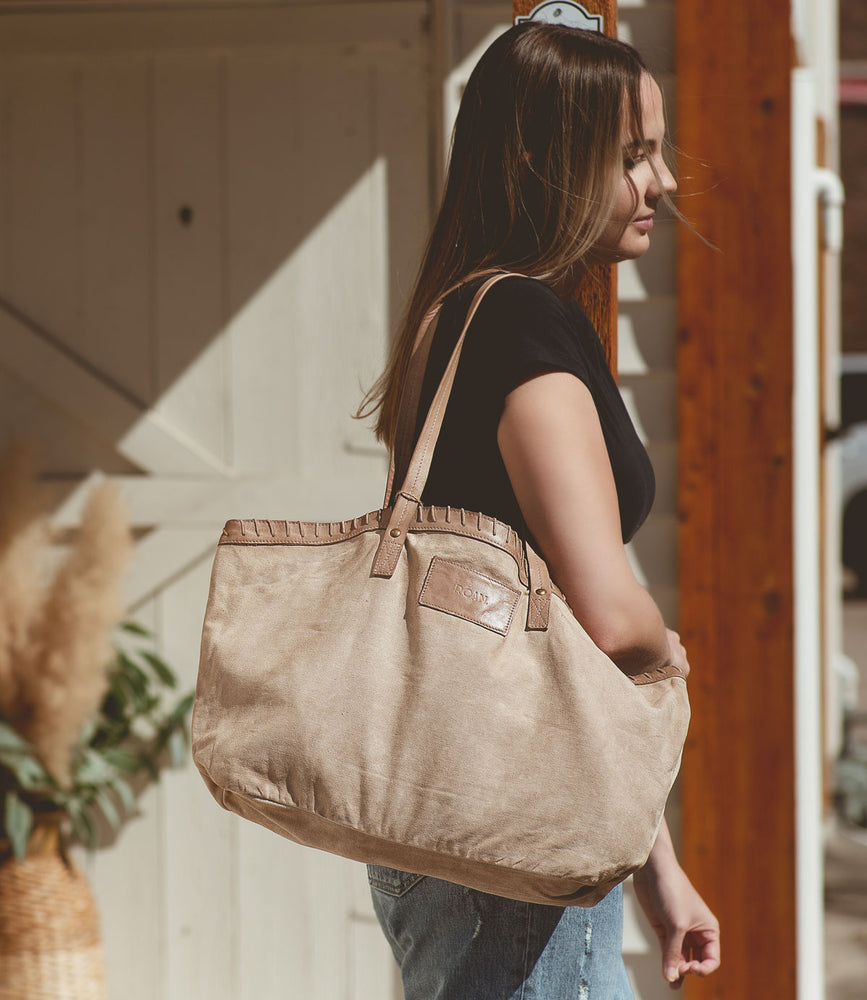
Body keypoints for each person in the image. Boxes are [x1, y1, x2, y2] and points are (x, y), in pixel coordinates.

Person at [358, 22, 721, 999]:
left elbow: (557, 643)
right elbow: (605, 615)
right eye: (635, 157)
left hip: (477, 823)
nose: (665, 185)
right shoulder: (522, 321)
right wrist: (667, 645)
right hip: (520, 848)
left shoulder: (456, 315)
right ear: (542, 158)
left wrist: (662, 875)